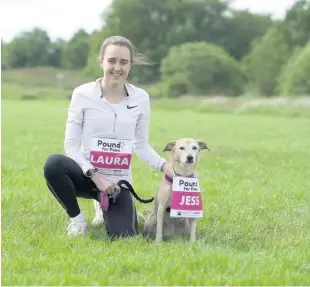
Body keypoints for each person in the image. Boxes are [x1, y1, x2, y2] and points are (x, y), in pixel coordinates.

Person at [43, 35, 169, 237]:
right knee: (54, 164)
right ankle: (77, 221)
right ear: (101, 61)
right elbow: (71, 145)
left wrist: (165, 166)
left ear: (130, 65)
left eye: (123, 62)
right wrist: (95, 175)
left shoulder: (141, 98)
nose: (117, 68)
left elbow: (141, 144)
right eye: (111, 61)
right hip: (87, 175)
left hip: (117, 185)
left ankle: (104, 207)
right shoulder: (82, 94)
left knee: (124, 236)